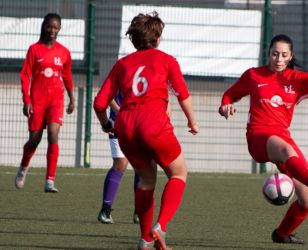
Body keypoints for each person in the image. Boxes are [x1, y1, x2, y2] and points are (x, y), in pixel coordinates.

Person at [219, 34, 308, 244]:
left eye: (284, 55)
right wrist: (225, 106)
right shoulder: (253, 75)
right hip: (258, 136)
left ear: (290, 56)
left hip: (283, 138)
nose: (279, 59)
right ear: (268, 54)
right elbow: (230, 95)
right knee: (287, 152)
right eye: (275, 54)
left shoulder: (296, 80)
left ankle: (282, 234)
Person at [93, 12, 199, 250]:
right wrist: (192, 121)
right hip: (153, 121)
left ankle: (144, 240)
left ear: (134, 40)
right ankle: (160, 227)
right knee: (179, 173)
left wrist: (107, 125)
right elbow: (182, 94)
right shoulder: (167, 60)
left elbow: (99, 103)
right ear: (158, 37)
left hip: (126, 124)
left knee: (146, 180)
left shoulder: (122, 64)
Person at [15, 13, 74, 193]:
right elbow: (25, 76)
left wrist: (72, 99)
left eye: (56, 28)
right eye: (50, 27)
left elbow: (67, 76)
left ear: (59, 29)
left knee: (53, 136)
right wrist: (27, 100)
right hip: (38, 100)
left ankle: (49, 180)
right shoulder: (34, 50)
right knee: (35, 139)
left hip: (56, 100)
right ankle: (23, 168)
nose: (52, 31)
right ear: (44, 27)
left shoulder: (64, 52)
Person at [97, 92, 140, 224]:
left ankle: (140, 211)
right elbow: (106, 96)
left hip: (141, 123)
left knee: (143, 165)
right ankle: (105, 210)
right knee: (120, 163)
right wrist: (121, 112)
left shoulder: (150, 72)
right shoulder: (119, 71)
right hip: (119, 122)